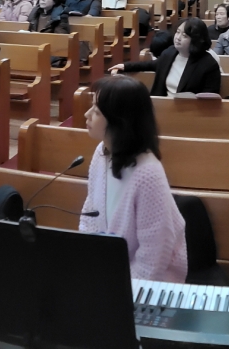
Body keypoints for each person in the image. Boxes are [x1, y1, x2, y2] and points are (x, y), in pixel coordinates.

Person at [76, 75, 187, 283]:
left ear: (119, 122)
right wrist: (90, 254)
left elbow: (154, 256)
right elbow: (90, 209)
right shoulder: (102, 152)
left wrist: (119, 286)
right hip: (111, 269)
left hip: (148, 282)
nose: (86, 114)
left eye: (97, 112)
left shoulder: (148, 174)